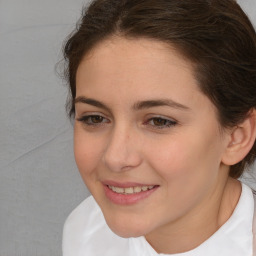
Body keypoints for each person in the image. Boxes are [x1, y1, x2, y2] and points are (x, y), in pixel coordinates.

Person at [61, 0, 256, 255]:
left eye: (159, 121)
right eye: (95, 118)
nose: (115, 157)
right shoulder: (85, 230)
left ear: (236, 137)